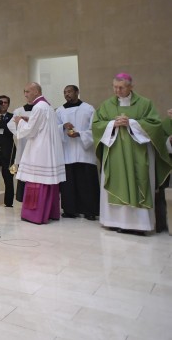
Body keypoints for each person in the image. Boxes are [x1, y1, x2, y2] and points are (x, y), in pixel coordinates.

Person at [92, 73, 171, 234]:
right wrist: (112, 124)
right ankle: (114, 221)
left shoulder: (145, 103)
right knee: (116, 180)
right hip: (114, 154)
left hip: (138, 153)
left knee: (140, 182)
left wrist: (132, 123)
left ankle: (140, 225)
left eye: (121, 87)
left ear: (131, 87)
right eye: (114, 87)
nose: (117, 90)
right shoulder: (107, 105)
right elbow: (96, 125)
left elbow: (155, 126)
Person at [12, 82, 66, 224]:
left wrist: (19, 122)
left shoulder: (38, 107)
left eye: (27, 91)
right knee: (48, 182)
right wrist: (28, 119)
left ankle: (34, 215)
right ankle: (50, 213)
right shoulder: (47, 106)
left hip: (39, 150)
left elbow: (30, 131)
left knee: (36, 180)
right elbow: (41, 124)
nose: (25, 94)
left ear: (36, 91)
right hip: (49, 149)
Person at [55, 85, 100, 220]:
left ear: (77, 92)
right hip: (67, 152)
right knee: (68, 184)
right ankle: (70, 210)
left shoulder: (88, 109)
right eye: (65, 92)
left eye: (69, 92)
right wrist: (62, 126)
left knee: (86, 183)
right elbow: (54, 129)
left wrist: (80, 134)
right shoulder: (60, 111)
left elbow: (95, 129)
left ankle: (90, 211)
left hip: (84, 152)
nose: (67, 95)